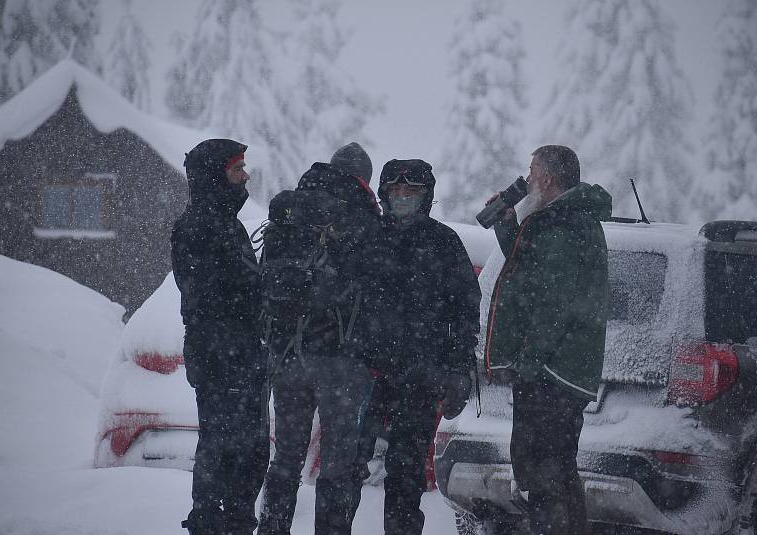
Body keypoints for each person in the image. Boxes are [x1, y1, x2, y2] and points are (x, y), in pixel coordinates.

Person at [484, 145, 611, 535]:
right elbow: (531, 270)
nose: (527, 178)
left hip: (552, 373)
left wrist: (529, 360)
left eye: (532, 170)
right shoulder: (562, 221)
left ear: (549, 179)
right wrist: (508, 225)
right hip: (558, 371)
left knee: (545, 471)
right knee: (553, 468)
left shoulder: (567, 225)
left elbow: (553, 303)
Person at [259, 142, 381, 535]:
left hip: (288, 357)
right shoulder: (362, 216)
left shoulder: (292, 211)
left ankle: (272, 528)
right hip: (340, 362)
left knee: (287, 456)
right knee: (337, 460)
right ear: (364, 177)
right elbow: (374, 289)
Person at [374, 159, 481, 535]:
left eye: (412, 192)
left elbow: (467, 310)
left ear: (427, 196)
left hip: (419, 378)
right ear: (384, 194)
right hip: (365, 375)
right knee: (343, 472)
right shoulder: (368, 237)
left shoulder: (443, 242)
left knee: (405, 476)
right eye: (396, 191)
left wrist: (457, 369)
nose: (403, 198)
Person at [171, 139, 269, 535]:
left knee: (247, 454)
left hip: (240, 360)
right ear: (215, 178)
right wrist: (261, 291)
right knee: (227, 454)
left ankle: (234, 523)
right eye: (236, 170)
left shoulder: (225, 224)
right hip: (224, 362)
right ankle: (216, 526)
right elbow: (212, 300)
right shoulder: (200, 227)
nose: (245, 176)